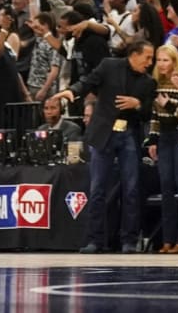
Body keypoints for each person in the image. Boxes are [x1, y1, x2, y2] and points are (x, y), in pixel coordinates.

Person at [51, 40, 155, 254]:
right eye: (147, 57)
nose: (150, 62)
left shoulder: (148, 82)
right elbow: (87, 82)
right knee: (97, 188)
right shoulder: (109, 65)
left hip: (129, 135)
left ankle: (129, 240)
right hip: (104, 134)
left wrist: (139, 105)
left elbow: (147, 115)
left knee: (131, 189)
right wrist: (72, 91)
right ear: (133, 55)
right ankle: (94, 240)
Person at [146, 45, 178, 254]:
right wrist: (152, 140)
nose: (161, 64)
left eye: (166, 60)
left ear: (174, 61)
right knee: (165, 187)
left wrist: (167, 105)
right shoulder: (155, 84)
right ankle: (167, 239)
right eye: (159, 59)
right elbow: (154, 117)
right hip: (164, 138)